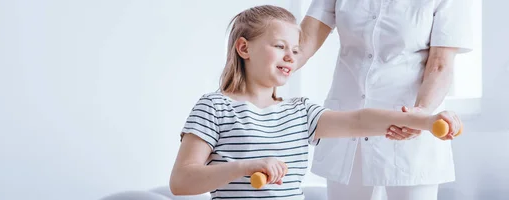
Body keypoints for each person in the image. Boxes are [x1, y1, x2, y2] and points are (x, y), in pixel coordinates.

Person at [169, 5, 462, 200]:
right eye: (280, 46)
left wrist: (425, 119)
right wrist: (242, 167)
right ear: (244, 48)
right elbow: (181, 181)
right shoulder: (214, 108)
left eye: (295, 49)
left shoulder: (300, 112)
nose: (291, 56)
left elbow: (359, 120)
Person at [296, 0, 473, 199]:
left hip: (408, 123)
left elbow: (440, 64)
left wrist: (421, 112)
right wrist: (260, 78)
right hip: (347, 124)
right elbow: (302, 45)